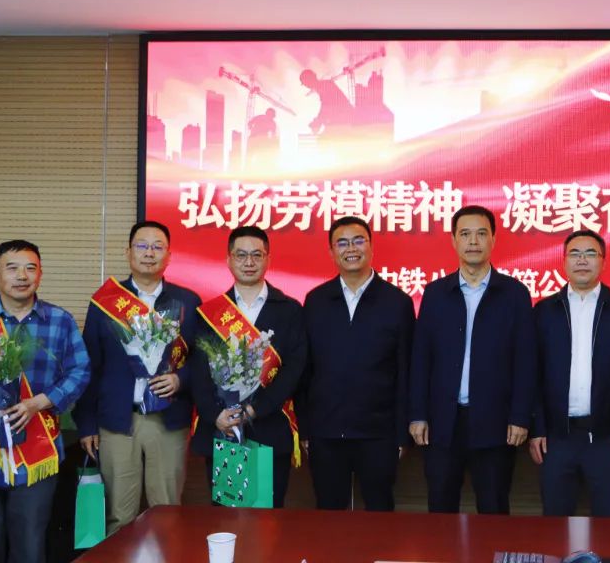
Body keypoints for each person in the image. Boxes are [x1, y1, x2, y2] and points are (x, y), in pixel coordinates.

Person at [0, 240, 90, 563]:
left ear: (40, 274)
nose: (21, 276)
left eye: (30, 268)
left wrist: (40, 402)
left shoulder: (60, 321)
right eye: (12, 268)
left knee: (30, 547)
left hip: (38, 456)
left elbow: (81, 371)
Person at [74, 221, 201, 533]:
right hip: (118, 421)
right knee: (119, 514)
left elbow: (202, 361)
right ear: (128, 252)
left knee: (168, 511)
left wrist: (180, 379)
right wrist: (87, 423)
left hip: (168, 421)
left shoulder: (187, 301)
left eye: (158, 247)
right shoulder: (105, 302)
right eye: (142, 246)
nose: (149, 253)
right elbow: (89, 366)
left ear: (169, 255)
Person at [408, 205, 536, 514]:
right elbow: (421, 358)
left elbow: (525, 361)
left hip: (495, 421)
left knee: (493, 509)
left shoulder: (514, 294)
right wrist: (418, 414)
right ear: (454, 241)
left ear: (493, 239)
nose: (473, 242)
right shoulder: (435, 293)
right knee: (441, 508)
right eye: (465, 234)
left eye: (481, 234)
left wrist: (520, 416)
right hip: (443, 422)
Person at [298, 216, 415, 511]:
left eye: (358, 240)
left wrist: (401, 434)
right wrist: (306, 429)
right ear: (331, 252)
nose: (351, 248)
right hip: (325, 432)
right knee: (329, 513)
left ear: (371, 247)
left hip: (378, 433)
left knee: (379, 512)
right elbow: (305, 371)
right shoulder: (315, 301)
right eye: (342, 243)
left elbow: (405, 373)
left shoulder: (397, 302)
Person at [191, 225, 306, 508]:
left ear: (268, 259)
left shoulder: (290, 310)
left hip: (270, 428)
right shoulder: (210, 313)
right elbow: (198, 372)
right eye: (241, 255)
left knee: (268, 518)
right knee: (226, 517)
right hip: (223, 429)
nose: (249, 262)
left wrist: (255, 410)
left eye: (257, 255)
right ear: (229, 260)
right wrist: (215, 415)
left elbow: (294, 369)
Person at [529, 230, 610, 517]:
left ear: (603, 261)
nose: (582, 260)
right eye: (575, 254)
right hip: (556, 438)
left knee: (609, 521)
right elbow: (533, 375)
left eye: (590, 254)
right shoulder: (544, 311)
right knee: (555, 522)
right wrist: (537, 428)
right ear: (564, 262)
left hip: (607, 439)